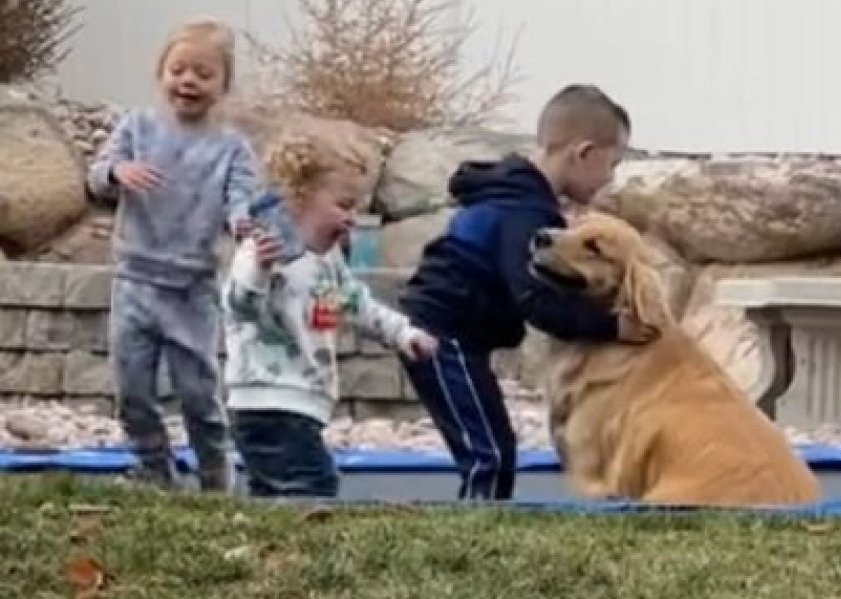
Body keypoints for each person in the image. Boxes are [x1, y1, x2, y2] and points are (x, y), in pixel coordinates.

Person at [398, 84, 655, 501]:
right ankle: (472, 544)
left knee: (494, 448)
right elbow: (534, 299)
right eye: (613, 164)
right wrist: (611, 327)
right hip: (440, 335)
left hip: (454, 333)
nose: (610, 178)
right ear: (583, 152)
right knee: (491, 455)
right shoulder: (525, 210)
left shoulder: (515, 194)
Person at [86, 16, 256, 492]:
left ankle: (214, 475)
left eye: (204, 74)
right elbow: (96, 175)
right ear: (162, 73)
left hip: (191, 288)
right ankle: (152, 468)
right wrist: (118, 173)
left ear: (223, 84)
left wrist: (242, 221)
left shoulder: (232, 148)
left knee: (199, 393)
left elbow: (240, 199)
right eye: (179, 69)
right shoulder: (137, 127)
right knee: (133, 388)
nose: (189, 81)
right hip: (135, 280)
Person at [223, 133, 439, 498]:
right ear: (300, 197)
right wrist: (259, 269)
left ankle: (269, 547)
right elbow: (239, 305)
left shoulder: (329, 259)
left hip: (301, 403)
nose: (352, 219)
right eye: (343, 205)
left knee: (276, 490)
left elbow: (357, 304)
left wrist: (404, 334)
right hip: (266, 400)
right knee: (314, 485)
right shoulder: (263, 249)